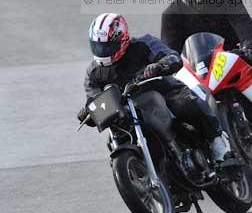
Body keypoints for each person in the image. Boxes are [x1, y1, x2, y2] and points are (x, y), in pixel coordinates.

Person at [77, 12, 232, 162]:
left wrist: (159, 66)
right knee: (113, 138)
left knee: (184, 103)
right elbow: (95, 100)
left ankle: (217, 141)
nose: (103, 51)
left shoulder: (143, 44)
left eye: (107, 46)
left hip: (161, 91)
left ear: (122, 38)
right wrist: (88, 113)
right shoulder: (94, 73)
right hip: (127, 111)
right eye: (98, 46)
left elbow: (172, 57)